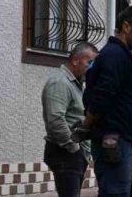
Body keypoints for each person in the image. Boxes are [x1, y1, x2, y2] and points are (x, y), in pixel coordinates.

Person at [83, 5, 132, 197]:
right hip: (115, 141)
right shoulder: (114, 55)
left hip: (129, 141)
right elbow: (101, 96)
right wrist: (87, 124)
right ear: (126, 27)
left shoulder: (123, 55)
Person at [42, 42, 98, 197]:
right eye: (90, 62)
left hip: (73, 154)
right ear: (75, 60)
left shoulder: (76, 84)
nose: (92, 68)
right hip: (65, 153)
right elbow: (55, 120)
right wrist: (74, 148)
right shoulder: (60, 82)